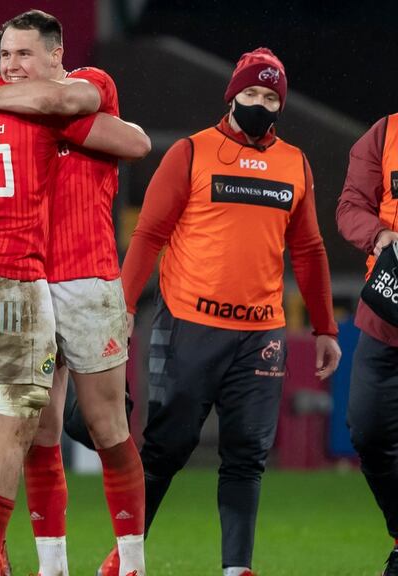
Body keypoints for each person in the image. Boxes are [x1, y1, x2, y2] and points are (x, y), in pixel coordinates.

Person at [0, 31, 149, 576]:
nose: (14, 66)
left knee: (109, 426)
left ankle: (131, 561)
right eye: (7, 57)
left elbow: (134, 141)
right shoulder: (12, 117)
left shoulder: (83, 85)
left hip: (86, 278)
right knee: (38, 431)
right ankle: (51, 566)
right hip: (23, 280)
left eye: (25, 55)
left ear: (55, 55)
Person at [119, 47, 342, 576]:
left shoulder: (296, 163)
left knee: (246, 457)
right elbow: (149, 234)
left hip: (260, 335)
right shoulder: (191, 153)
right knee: (165, 449)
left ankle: (236, 568)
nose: (260, 104)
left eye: (270, 96)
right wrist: (123, 305)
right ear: (232, 95)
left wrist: (325, 326)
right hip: (189, 325)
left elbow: (308, 250)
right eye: (251, 93)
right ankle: (126, 558)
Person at [336, 111, 398, 576]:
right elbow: (351, 206)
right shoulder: (384, 133)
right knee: (368, 429)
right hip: (386, 315)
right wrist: (379, 235)